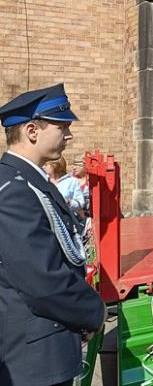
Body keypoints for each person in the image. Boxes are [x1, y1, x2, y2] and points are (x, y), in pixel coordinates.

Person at [0, 84, 106, 386]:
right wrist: (92, 312)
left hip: (45, 345)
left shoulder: (26, 180)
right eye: (62, 127)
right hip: (33, 359)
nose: (69, 136)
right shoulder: (13, 191)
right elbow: (42, 280)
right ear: (32, 130)